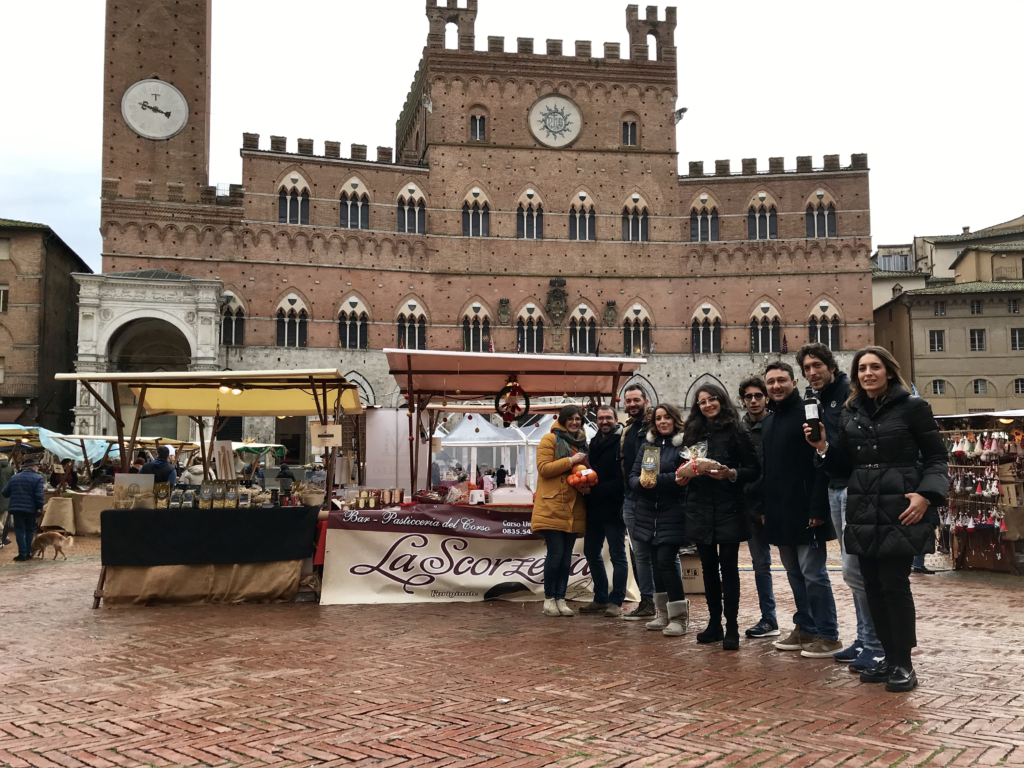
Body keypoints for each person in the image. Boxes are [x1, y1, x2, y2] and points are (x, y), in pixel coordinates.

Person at [807, 346, 947, 692]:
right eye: (862, 368)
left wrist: (926, 495)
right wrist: (823, 448)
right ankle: (887, 656)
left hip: (901, 506)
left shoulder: (913, 407)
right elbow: (845, 465)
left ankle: (904, 663)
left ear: (889, 371)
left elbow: (936, 458)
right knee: (872, 585)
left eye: (875, 367)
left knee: (894, 585)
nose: (868, 373)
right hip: (863, 507)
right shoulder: (851, 411)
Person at [798, 342, 883, 672]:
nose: (812, 372)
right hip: (835, 487)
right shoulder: (817, 399)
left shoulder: (850, 394)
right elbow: (824, 451)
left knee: (856, 570)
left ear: (831, 366)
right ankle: (863, 638)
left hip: (853, 487)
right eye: (806, 368)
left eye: (817, 365)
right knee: (854, 574)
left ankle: (875, 644)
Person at [761, 361, 843, 659]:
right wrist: (765, 508)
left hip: (807, 509)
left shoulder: (809, 415)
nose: (776, 386)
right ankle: (806, 627)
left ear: (794, 383)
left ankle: (828, 634)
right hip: (779, 510)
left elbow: (820, 465)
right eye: (771, 382)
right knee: (794, 573)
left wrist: (818, 507)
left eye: (781, 380)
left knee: (813, 574)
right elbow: (769, 470)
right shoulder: (769, 421)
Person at [677, 384, 759, 650]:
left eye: (712, 399)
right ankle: (714, 624)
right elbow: (685, 465)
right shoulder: (692, 432)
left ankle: (732, 626)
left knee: (729, 568)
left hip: (729, 508)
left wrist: (731, 473)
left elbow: (753, 469)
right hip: (700, 508)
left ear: (721, 401)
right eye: (702, 402)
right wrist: (683, 476)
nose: (708, 405)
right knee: (708, 569)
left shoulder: (737, 430)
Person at [629, 403, 690, 637]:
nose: (662, 422)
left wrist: (656, 481)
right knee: (655, 562)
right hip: (648, 513)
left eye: (667, 417)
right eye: (658, 418)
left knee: (666, 560)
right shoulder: (648, 446)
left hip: (672, 511)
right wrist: (640, 483)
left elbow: (684, 476)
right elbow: (633, 476)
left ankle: (679, 617)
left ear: (675, 419)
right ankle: (663, 613)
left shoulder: (683, 446)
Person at [531, 404, 589, 617]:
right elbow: (543, 468)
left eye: (578, 419)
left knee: (566, 558)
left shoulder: (582, 443)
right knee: (555, 555)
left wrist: (587, 484)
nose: (575, 422)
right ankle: (549, 599)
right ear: (563, 420)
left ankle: (561, 598)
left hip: (574, 507)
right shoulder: (550, 439)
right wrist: (571, 460)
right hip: (553, 506)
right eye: (570, 418)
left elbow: (585, 471)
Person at [737, 376, 779, 639]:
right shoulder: (738, 429)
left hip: (776, 504)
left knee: (798, 567)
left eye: (758, 396)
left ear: (766, 397)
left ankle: (808, 623)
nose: (753, 401)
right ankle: (769, 619)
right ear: (742, 400)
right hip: (749, 507)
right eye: (748, 397)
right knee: (760, 565)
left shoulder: (776, 424)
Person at [580, 404, 628, 618]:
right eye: (600, 418)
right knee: (591, 552)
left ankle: (616, 601)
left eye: (608, 417)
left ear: (616, 419)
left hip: (614, 508)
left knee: (617, 556)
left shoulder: (622, 442)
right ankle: (600, 598)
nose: (604, 421)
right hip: (594, 508)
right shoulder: (593, 442)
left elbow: (622, 480)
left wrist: (594, 490)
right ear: (596, 421)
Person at [618, 384, 656, 621]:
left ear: (645, 401)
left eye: (636, 400)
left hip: (650, 497)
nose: (632, 404)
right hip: (630, 498)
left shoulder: (653, 427)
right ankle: (648, 601)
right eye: (628, 401)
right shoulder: (628, 429)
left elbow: (652, 464)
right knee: (640, 554)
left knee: (662, 552)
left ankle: (669, 601)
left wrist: (642, 483)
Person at [2, 456, 45, 561]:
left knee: (19, 531)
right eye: (37, 466)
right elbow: (39, 496)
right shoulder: (38, 478)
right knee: (30, 530)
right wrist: (40, 508)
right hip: (31, 509)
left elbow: (5, 493)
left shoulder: (14, 478)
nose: (38, 468)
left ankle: (22, 553)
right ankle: (27, 553)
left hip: (16, 509)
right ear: (33, 466)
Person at [0, 453, 15, 547]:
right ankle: (1, 539)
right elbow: (12, 482)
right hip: (5, 496)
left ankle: (3, 535)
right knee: (2, 519)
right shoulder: (10, 468)